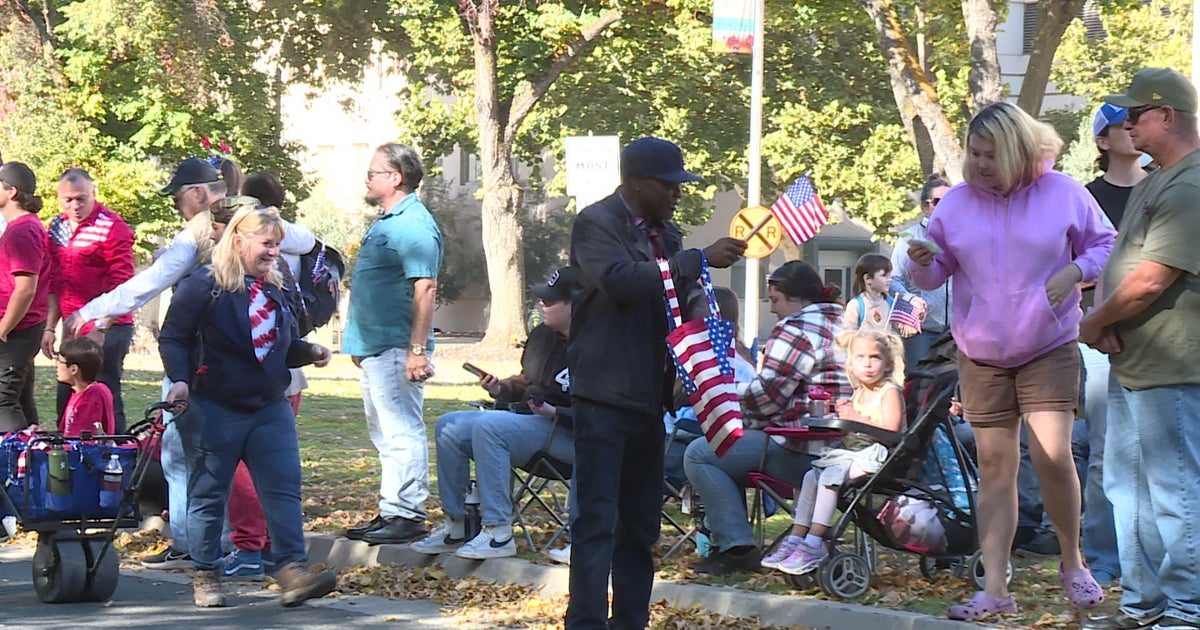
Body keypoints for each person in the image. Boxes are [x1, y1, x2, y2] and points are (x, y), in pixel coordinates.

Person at [907, 101, 1114, 620]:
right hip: (981, 352)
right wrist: (922, 264)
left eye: (991, 155)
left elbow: (1107, 245)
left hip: (1049, 343)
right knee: (996, 466)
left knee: (1052, 454)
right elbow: (935, 273)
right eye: (974, 154)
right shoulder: (956, 204)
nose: (980, 165)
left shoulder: (1064, 192)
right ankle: (995, 588)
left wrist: (1077, 271)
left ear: (1018, 152)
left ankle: (1073, 561)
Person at [66, 157, 315, 570]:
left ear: (200, 196)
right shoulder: (221, 269)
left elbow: (152, 282)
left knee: (253, 478)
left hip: (249, 385)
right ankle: (213, 562)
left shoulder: (233, 244)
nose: (271, 249)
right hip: (226, 383)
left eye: (178, 198)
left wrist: (94, 310)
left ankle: (263, 558)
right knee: (216, 480)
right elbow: (175, 334)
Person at [566, 137, 745, 629]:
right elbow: (620, 281)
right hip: (603, 392)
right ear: (637, 182)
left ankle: (631, 621)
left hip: (650, 396)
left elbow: (679, 292)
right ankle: (585, 623)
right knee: (595, 521)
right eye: (668, 185)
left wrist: (701, 311)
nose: (676, 193)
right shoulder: (596, 223)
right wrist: (697, 259)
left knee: (640, 527)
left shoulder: (668, 236)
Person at [159, 205, 336, 608]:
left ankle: (292, 570)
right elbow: (173, 337)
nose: (274, 252)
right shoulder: (203, 285)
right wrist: (181, 379)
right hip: (212, 406)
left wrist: (309, 351)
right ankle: (206, 574)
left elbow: (277, 346)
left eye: (277, 246)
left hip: (269, 406)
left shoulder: (276, 288)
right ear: (238, 241)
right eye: (267, 244)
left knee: (284, 489)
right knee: (208, 494)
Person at [1079, 68, 1200, 630]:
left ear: (1167, 115)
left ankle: (1187, 609)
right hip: (1131, 359)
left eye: (1135, 114)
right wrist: (1102, 322)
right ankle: (1143, 605)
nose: (1126, 124)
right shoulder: (1157, 179)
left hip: (1173, 365)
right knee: (1127, 490)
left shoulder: (1191, 185)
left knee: (1174, 492)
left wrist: (1096, 320)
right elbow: (1121, 260)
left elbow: (1153, 277)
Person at [683, 261, 851, 575]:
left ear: (796, 298)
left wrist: (723, 392)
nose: (772, 309)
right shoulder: (846, 324)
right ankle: (732, 543)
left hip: (800, 450)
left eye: (775, 300)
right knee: (725, 452)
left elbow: (766, 399)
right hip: (845, 450)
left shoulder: (795, 329)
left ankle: (736, 548)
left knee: (700, 453)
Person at [412, 267, 576, 560]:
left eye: (550, 301)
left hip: (570, 434)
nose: (542, 304)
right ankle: (458, 524)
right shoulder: (543, 336)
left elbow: (601, 406)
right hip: (530, 423)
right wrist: (502, 388)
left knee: (491, 426)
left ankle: (497, 532)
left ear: (575, 304)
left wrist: (556, 412)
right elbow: (529, 381)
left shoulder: (598, 346)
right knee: (450, 427)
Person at [340, 143, 443, 546]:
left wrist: (416, 350)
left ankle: (408, 514)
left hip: (398, 348)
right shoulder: (388, 221)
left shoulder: (413, 224)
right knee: (385, 433)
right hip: (377, 347)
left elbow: (426, 287)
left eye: (373, 173)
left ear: (395, 178)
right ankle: (392, 510)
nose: (367, 179)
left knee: (402, 431)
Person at [764, 330, 906, 575]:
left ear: (888, 364)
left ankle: (815, 541)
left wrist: (854, 418)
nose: (867, 364)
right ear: (850, 364)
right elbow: (854, 432)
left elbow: (891, 434)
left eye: (874, 357)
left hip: (878, 456)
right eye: (860, 357)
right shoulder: (859, 392)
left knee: (830, 476)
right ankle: (797, 537)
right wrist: (841, 419)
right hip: (853, 455)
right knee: (811, 476)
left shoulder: (889, 392)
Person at [41, 169, 136, 433]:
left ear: (93, 193)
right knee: (67, 393)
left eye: (81, 199)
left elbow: (123, 286)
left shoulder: (112, 227)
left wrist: (101, 328)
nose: (75, 206)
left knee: (103, 393)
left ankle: (116, 450)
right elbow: (55, 282)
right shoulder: (57, 227)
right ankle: (66, 449)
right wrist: (50, 328)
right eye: (68, 200)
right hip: (73, 326)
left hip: (110, 326)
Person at [0, 162, 49, 432]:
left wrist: (3, 329)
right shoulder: (20, 227)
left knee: (3, 400)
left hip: (17, 330)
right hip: (21, 329)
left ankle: (12, 455)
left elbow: (26, 288)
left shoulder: (23, 231)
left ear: (12, 191)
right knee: (20, 398)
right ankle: (32, 452)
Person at [891, 178, 952, 374]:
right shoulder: (909, 238)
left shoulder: (961, 238)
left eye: (951, 201)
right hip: (922, 329)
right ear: (925, 206)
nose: (945, 206)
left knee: (954, 385)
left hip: (956, 331)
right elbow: (893, 280)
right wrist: (911, 299)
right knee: (921, 382)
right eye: (938, 202)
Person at [842, 253, 924, 337]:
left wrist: (914, 322)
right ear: (867, 278)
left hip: (886, 345)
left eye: (889, 275)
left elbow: (900, 330)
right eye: (884, 275)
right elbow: (848, 335)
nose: (889, 279)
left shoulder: (890, 303)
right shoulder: (856, 305)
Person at [54, 337, 115, 437]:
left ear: (74, 369)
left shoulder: (92, 397)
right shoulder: (77, 393)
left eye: (60, 361)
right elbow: (65, 434)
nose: (56, 365)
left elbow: (83, 441)